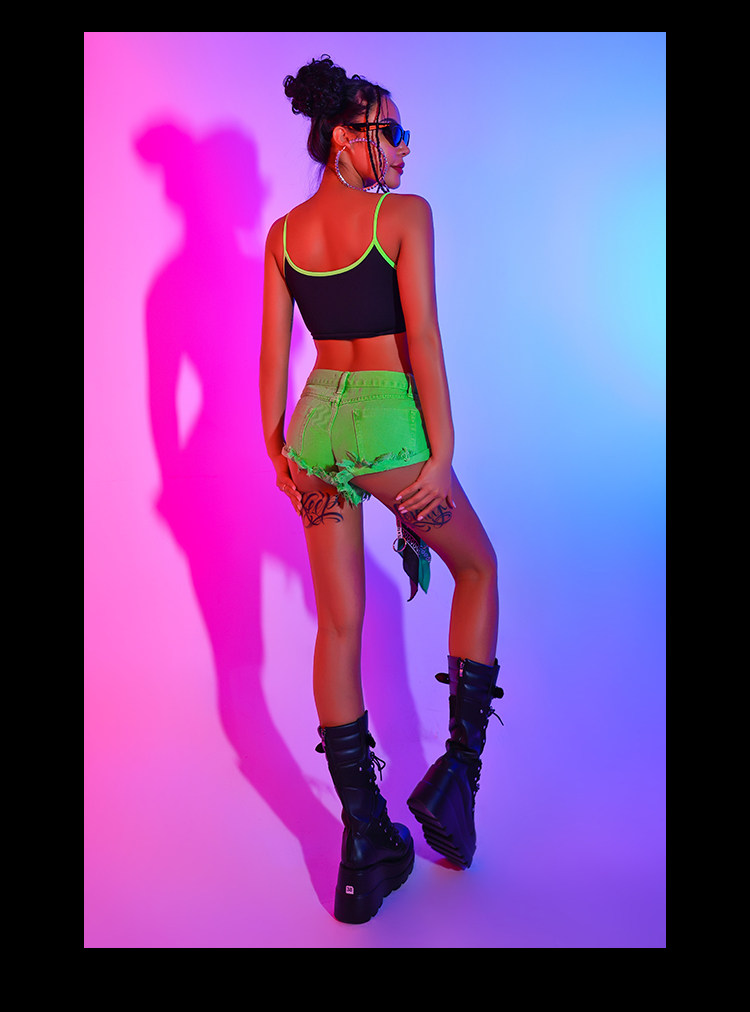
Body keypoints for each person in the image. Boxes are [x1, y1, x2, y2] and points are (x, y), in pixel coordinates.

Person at [260, 56, 503, 924]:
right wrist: (441, 453)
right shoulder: (402, 216)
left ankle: (365, 842)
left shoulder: (283, 235)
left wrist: (279, 455)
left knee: (339, 624)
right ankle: (455, 786)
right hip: (384, 424)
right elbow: (423, 337)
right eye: (389, 132)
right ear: (343, 138)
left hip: (314, 428)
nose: (403, 148)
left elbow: (273, 360)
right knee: (478, 569)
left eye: (403, 134)